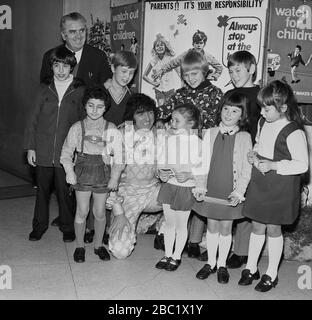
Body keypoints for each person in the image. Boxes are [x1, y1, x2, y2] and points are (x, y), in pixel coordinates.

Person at [239, 80, 308, 292]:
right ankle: (251, 267)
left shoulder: (293, 131)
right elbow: (260, 143)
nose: (262, 112)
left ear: (283, 108)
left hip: (280, 187)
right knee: (257, 226)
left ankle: (271, 273)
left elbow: (302, 164)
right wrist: (254, 154)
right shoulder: (262, 122)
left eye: (267, 108)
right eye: (261, 107)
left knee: (273, 228)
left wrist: (274, 165)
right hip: (261, 181)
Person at [157, 49, 223, 258]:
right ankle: (172, 235)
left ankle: (194, 240)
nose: (190, 78)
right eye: (186, 75)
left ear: (204, 71)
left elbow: (223, 123)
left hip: (205, 149)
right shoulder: (179, 94)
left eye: (194, 74)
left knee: (199, 192)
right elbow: (163, 112)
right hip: (181, 151)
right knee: (180, 191)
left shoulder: (216, 94)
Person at [197, 51, 261, 265]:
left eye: (238, 70)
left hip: (248, 151)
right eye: (231, 71)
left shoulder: (260, 95)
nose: (234, 75)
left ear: (251, 69)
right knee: (221, 206)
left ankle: (241, 251)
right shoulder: (229, 95)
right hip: (227, 148)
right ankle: (217, 250)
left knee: (244, 204)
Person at [24, 46, 85, 242]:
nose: (60, 70)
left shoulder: (79, 91)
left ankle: (67, 227)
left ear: (71, 67)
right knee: (41, 191)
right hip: (42, 150)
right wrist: (30, 147)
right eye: (56, 65)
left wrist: (79, 150)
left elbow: (82, 123)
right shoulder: (43, 89)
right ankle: (39, 226)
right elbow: (32, 120)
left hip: (65, 153)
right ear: (51, 67)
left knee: (64, 192)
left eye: (65, 66)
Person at [192, 92, 252, 284]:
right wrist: (200, 186)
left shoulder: (244, 137)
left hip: (229, 190)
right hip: (211, 189)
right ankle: (210, 262)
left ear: (241, 115)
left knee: (226, 228)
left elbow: (246, 169)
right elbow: (200, 163)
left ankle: (222, 265)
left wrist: (239, 192)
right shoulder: (209, 133)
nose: (228, 114)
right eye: (226, 109)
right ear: (221, 110)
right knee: (211, 226)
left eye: (234, 111)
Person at [60, 85, 123, 263]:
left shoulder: (111, 128)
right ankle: (80, 246)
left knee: (100, 212)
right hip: (82, 171)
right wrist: (69, 171)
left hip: (103, 173)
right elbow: (65, 153)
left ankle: (98, 246)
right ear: (85, 105)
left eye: (100, 106)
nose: (95, 110)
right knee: (82, 211)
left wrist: (115, 176)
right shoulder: (77, 127)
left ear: (106, 108)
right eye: (91, 105)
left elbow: (119, 156)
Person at [108, 93, 163, 259]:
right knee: (120, 252)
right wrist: (118, 211)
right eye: (141, 113)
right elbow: (106, 175)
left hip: (154, 191)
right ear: (131, 116)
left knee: (182, 193)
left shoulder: (160, 133)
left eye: (150, 112)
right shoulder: (120, 134)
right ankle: (140, 222)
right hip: (126, 195)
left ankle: (162, 226)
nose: (147, 118)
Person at [155, 104, 205, 271]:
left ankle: (176, 256)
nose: (172, 123)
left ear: (190, 124)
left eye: (177, 121)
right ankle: (167, 254)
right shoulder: (169, 140)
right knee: (169, 223)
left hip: (185, 189)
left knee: (181, 224)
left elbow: (203, 168)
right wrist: (161, 173)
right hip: (169, 185)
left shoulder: (198, 144)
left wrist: (190, 176)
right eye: (172, 119)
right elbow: (161, 162)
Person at [40, 12, 111, 87]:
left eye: (81, 31)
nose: (79, 36)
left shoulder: (98, 57)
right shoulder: (50, 56)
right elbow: (45, 91)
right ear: (64, 35)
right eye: (73, 32)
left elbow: (104, 91)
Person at [153, 30, 223, 83]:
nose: (198, 45)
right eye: (196, 43)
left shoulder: (208, 56)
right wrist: (162, 70)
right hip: (188, 84)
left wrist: (214, 76)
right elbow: (173, 63)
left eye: (201, 43)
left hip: (202, 85)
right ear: (193, 44)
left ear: (204, 44)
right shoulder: (186, 55)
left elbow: (219, 67)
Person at [143, 33, 180, 106]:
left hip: (170, 89)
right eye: (157, 46)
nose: (159, 47)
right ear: (154, 49)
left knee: (170, 108)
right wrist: (153, 83)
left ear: (165, 47)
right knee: (161, 107)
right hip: (159, 89)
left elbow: (179, 72)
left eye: (161, 45)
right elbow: (144, 76)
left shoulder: (170, 60)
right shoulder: (153, 61)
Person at [103, 51, 137, 127]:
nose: (127, 76)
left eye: (131, 73)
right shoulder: (99, 93)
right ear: (113, 68)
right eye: (124, 71)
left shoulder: (133, 98)